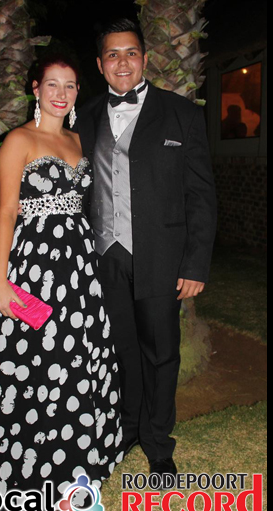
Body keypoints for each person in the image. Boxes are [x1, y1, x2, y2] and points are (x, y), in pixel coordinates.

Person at [0, 55, 123, 507]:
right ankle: (13, 466)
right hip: (31, 267)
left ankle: (71, 462)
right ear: (36, 88)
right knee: (24, 363)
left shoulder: (79, 140)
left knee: (72, 361)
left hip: (77, 272)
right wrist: (0, 280)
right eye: (52, 84)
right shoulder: (18, 140)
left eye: (70, 85)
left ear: (77, 92)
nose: (61, 93)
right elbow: (7, 213)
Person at [76, 18, 217, 476]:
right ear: (100, 64)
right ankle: (128, 428)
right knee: (122, 351)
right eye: (113, 54)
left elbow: (201, 195)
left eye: (131, 53)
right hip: (104, 256)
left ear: (145, 59)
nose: (123, 62)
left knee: (161, 353)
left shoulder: (182, 113)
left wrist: (195, 264)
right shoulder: (84, 116)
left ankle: (158, 443)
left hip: (160, 257)